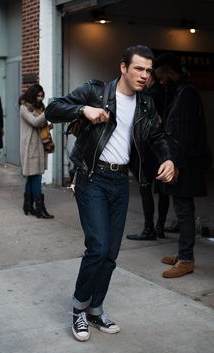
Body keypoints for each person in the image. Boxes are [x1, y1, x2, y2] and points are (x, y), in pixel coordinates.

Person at [45, 45, 174, 342]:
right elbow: (53, 108)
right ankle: (78, 307)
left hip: (120, 181)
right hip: (92, 177)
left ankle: (96, 308)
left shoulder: (145, 104)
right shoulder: (96, 91)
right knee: (98, 247)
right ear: (123, 68)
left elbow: (156, 136)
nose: (144, 75)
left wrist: (168, 157)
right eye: (138, 68)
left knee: (111, 253)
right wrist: (82, 110)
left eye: (148, 70)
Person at [154, 53, 209, 278]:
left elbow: (186, 135)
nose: (159, 81)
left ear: (167, 70)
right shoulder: (179, 90)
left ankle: (186, 260)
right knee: (181, 209)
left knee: (185, 212)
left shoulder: (187, 93)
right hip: (181, 160)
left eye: (160, 76)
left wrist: (176, 165)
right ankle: (183, 253)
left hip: (186, 163)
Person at [127, 71, 170, 240]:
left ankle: (149, 229)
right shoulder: (166, 93)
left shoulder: (148, 96)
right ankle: (159, 227)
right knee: (162, 191)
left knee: (146, 189)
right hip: (161, 150)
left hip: (148, 150)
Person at [19, 83, 54, 219]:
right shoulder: (24, 108)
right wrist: (48, 112)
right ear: (32, 95)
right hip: (30, 148)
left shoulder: (39, 108)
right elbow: (34, 122)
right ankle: (40, 209)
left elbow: (39, 125)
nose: (40, 98)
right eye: (38, 96)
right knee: (36, 177)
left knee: (32, 177)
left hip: (39, 145)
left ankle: (27, 205)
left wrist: (48, 127)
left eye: (41, 96)